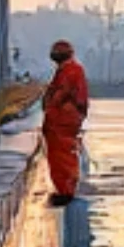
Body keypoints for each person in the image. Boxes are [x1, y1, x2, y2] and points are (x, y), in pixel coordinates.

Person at [42, 39, 91, 205]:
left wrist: (49, 105)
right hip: (64, 121)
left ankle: (65, 191)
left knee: (61, 156)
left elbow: (59, 94)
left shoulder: (69, 71)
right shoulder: (71, 69)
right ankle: (65, 188)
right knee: (63, 154)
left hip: (61, 121)